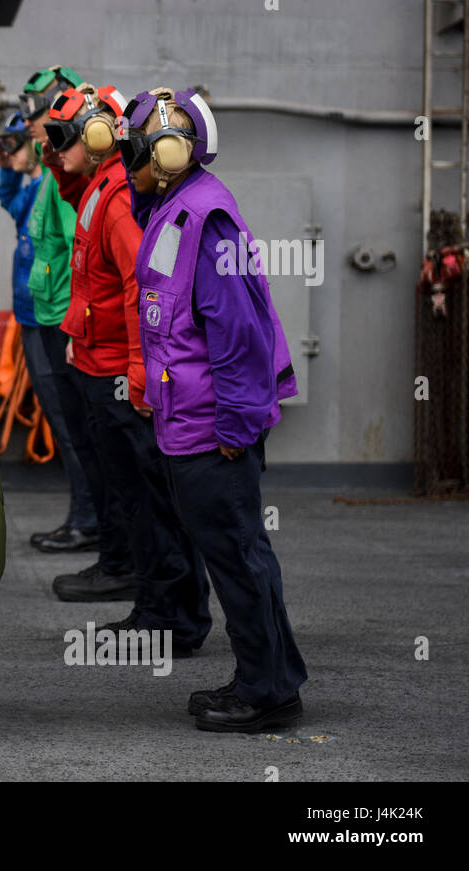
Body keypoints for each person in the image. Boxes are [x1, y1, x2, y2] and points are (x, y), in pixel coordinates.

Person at [121, 87, 306, 730]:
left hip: (211, 429)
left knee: (238, 555)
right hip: (190, 421)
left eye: (133, 147)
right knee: (236, 553)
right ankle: (269, 677)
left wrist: (234, 423)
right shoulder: (174, 208)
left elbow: (238, 333)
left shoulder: (205, 216)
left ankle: (267, 692)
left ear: (168, 152)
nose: (124, 158)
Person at [41, 84, 211, 658]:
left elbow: (144, 288)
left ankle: (171, 619)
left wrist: (139, 375)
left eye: (63, 139)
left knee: (148, 499)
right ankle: (158, 607)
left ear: (95, 139)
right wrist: (78, 339)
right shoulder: (97, 186)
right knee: (132, 496)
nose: (55, 150)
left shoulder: (115, 196)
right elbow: (94, 279)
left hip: (120, 374)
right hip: (99, 362)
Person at [8, 75, 105, 556]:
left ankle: (89, 522)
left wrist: (72, 326)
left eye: (34, 114)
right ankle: (87, 519)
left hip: (55, 321)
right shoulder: (48, 174)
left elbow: (79, 255)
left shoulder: (66, 180)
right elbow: (14, 205)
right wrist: (13, 165)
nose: (26, 123)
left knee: (73, 428)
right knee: (69, 426)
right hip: (39, 314)